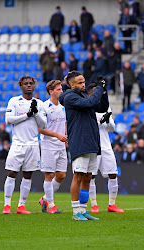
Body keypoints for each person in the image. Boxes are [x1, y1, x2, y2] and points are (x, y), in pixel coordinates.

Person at [59, 71, 109, 221]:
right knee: (78, 176)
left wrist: (104, 89)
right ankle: (75, 212)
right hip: (80, 141)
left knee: (88, 177)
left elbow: (101, 106)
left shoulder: (84, 96)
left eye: (84, 82)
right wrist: (99, 88)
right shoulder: (70, 97)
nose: (83, 85)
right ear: (72, 84)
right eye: (80, 83)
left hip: (92, 141)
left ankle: (83, 209)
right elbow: (91, 103)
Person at [2, 76, 46, 215]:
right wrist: (27, 114)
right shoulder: (14, 101)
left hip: (33, 144)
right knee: (12, 173)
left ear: (34, 86)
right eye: (26, 84)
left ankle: (21, 205)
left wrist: (36, 113)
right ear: (21, 86)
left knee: (28, 175)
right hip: (17, 144)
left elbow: (43, 124)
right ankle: (7, 205)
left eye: (31, 84)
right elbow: (9, 120)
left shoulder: (39, 103)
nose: (28, 86)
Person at [87, 83, 124, 214]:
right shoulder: (87, 106)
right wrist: (99, 121)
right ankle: (94, 204)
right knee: (91, 176)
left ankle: (112, 204)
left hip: (106, 146)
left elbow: (112, 128)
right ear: (90, 94)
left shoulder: (105, 107)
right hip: (93, 146)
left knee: (113, 174)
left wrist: (107, 120)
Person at [38, 80, 67, 214]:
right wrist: (57, 135)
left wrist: (65, 137)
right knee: (49, 175)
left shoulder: (63, 106)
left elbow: (65, 123)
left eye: (61, 89)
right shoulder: (44, 107)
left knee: (61, 175)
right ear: (51, 91)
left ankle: (44, 198)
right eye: (59, 89)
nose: (61, 91)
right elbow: (40, 129)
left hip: (60, 145)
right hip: (48, 145)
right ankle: (51, 205)